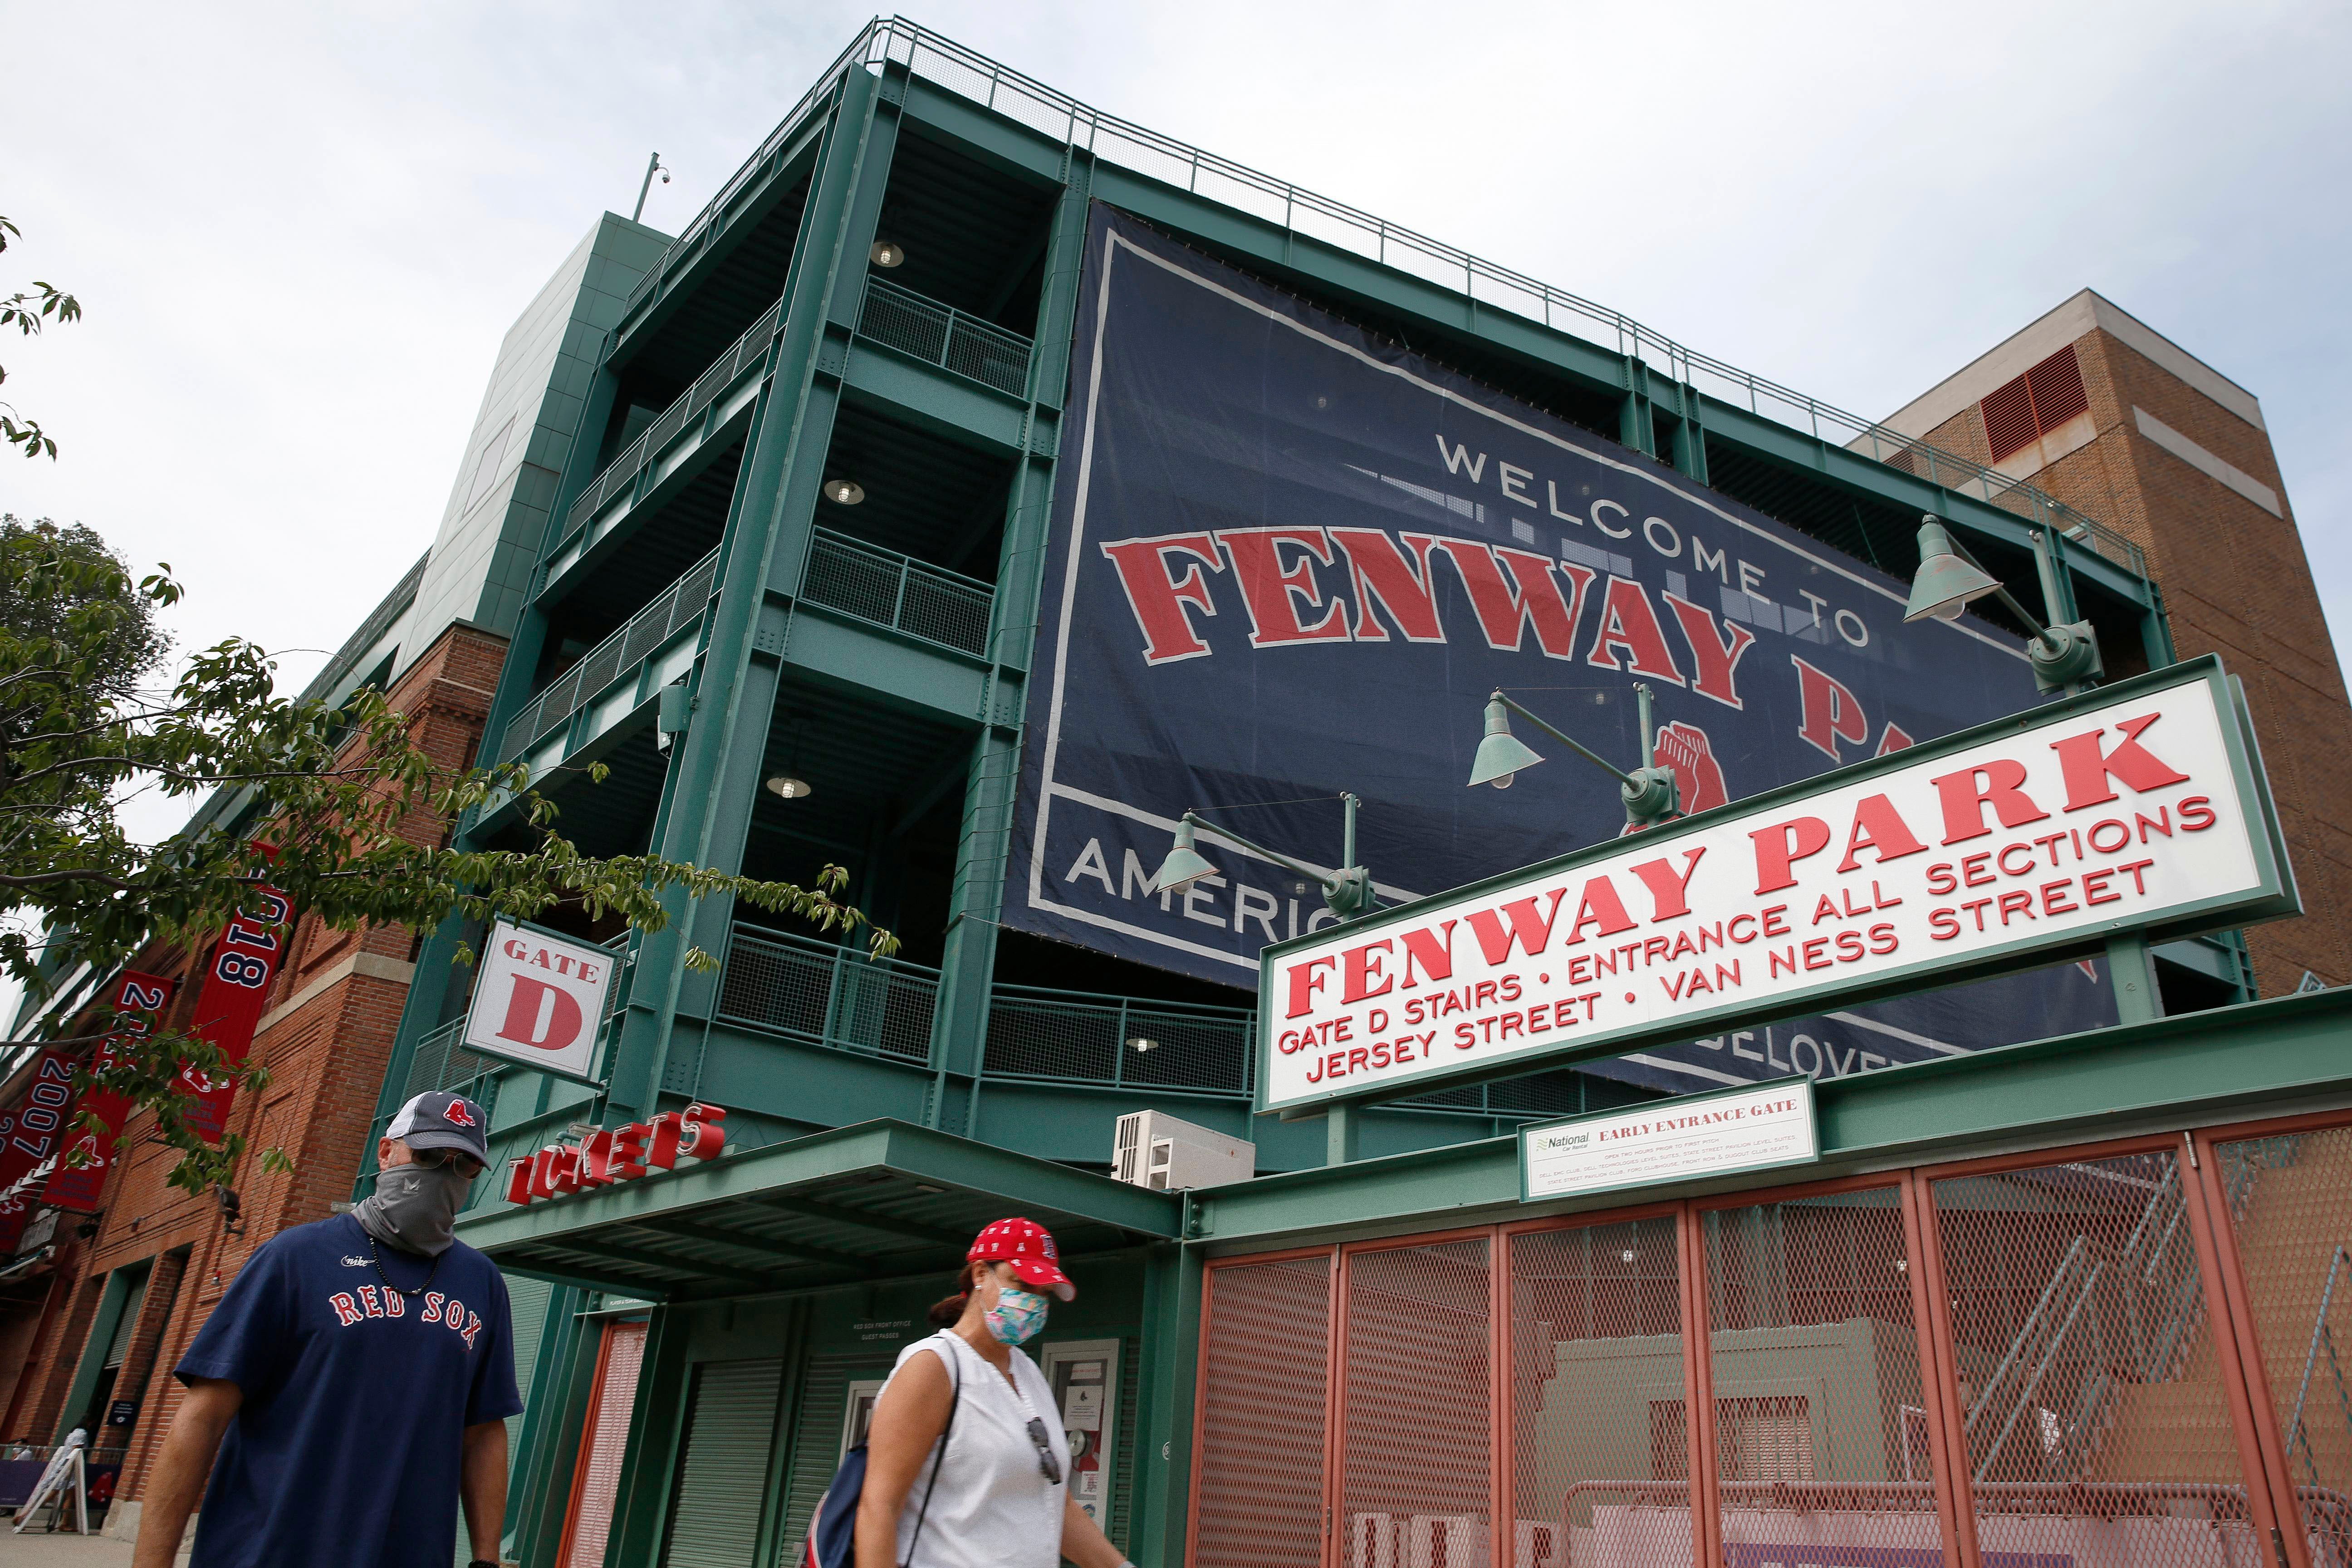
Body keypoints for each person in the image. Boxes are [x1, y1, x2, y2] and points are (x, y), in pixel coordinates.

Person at [131, 1091, 521, 1568]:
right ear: (386, 1152)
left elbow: (483, 1432)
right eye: (428, 1155)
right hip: (268, 1552)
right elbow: (203, 1417)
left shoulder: (481, 1282)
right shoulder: (294, 1258)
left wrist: (486, 1558)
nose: (443, 1174)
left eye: (464, 1166)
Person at [855, 1218, 1132, 1568]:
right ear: (981, 1274)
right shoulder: (933, 1366)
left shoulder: (1028, 1373)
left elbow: (1055, 1506)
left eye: (1043, 1293)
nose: (1033, 1302)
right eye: (1022, 1284)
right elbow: (879, 1507)